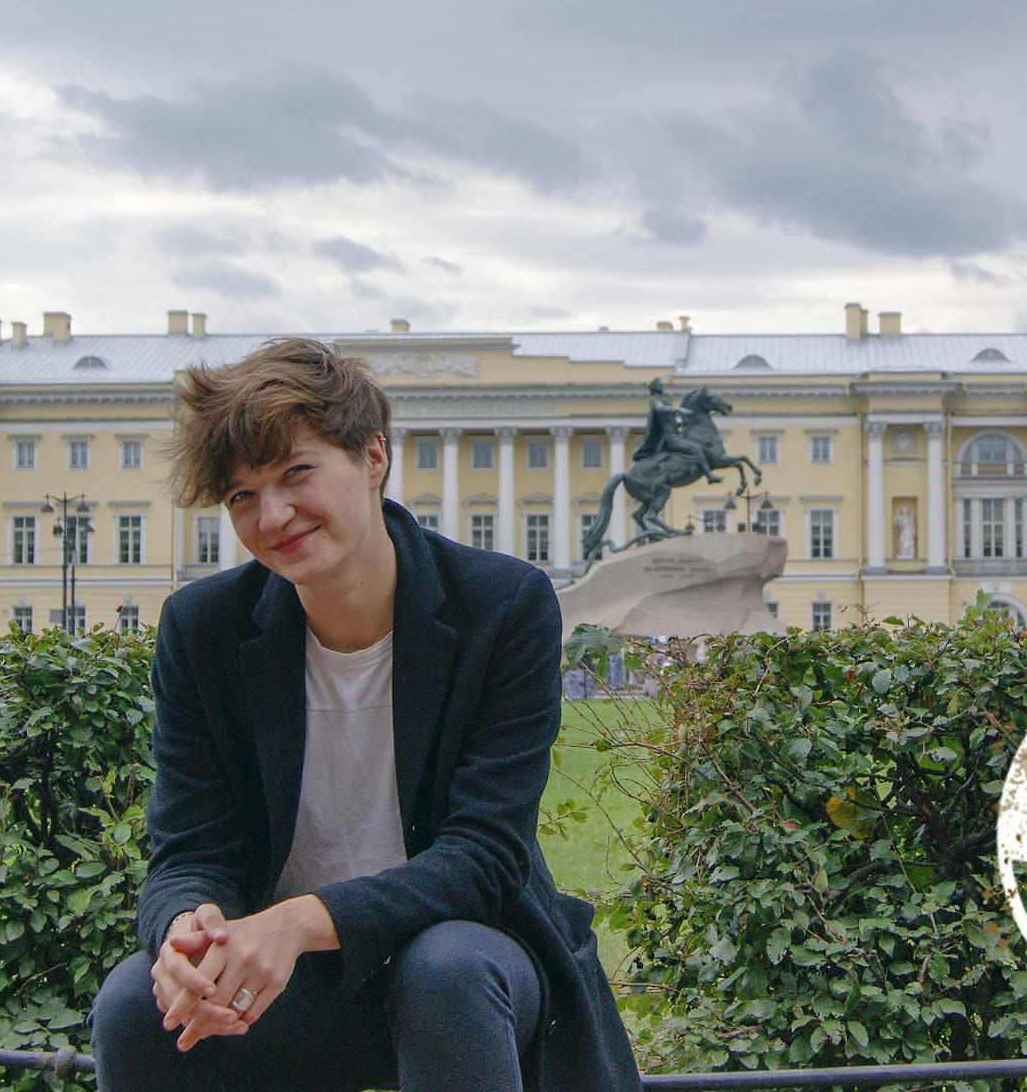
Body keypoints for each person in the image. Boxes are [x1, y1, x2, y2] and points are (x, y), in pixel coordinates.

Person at [90, 338, 640, 1092]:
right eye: (242, 496)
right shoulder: (203, 627)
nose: (272, 515)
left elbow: (484, 859)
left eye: (295, 473)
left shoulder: (502, 605)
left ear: (372, 458)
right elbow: (188, 849)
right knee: (135, 1004)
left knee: (443, 970)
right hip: (283, 983)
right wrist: (188, 928)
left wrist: (299, 921)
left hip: (470, 966)